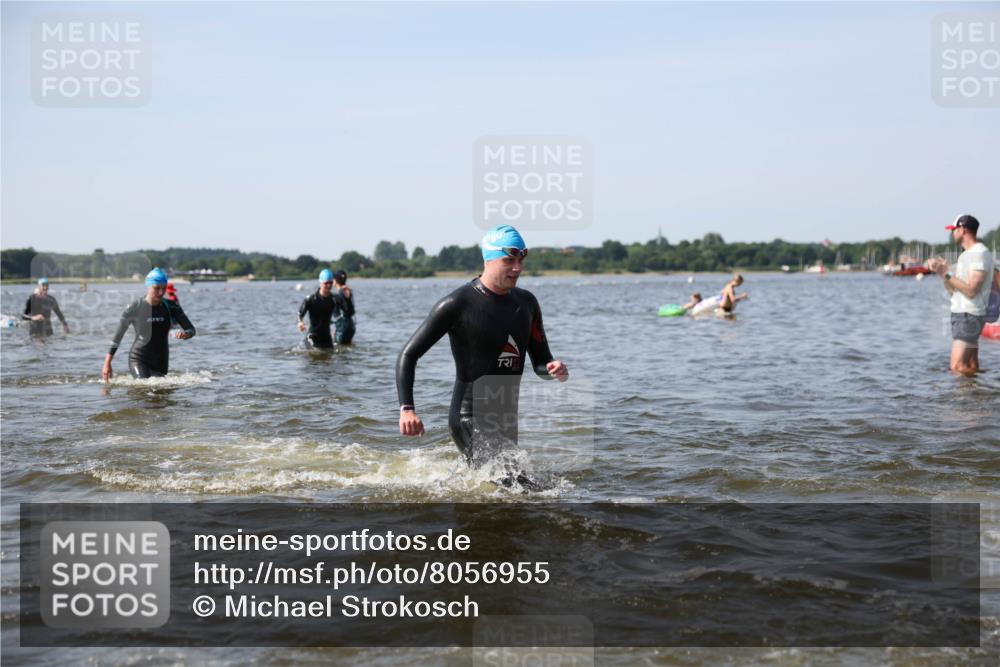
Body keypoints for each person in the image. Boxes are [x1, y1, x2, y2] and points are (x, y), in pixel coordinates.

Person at [396, 224, 569, 486]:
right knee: (519, 488)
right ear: (489, 259)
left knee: (511, 492)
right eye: (509, 260)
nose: (518, 268)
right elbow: (409, 355)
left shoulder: (527, 303)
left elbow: (540, 362)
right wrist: (407, 409)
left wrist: (553, 369)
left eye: (521, 260)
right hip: (470, 416)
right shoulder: (458, 304)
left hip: (506, 419)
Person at [928, 215, 995, 375]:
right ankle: (976, 398)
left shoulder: (979, 254)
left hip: (969, 316)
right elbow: (955, 292)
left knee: (957, 367)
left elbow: (971, 290)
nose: (952, 234)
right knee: (971, 366)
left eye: (954, 230)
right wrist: (942, 274)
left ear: (963, 229)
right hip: (964, 315)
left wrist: (946, 273)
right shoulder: (966, 255)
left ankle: (963, 399)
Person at [102, 268, 196, 380]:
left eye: (164, 288)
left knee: (160, 394)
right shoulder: (135, 307)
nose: (161, 292)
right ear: (148, 286)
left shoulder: (172, 306)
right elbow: (118, 336)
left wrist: (186, 334)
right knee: (145, 387)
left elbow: (191, 329)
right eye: (157, 288)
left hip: (161, 360)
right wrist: (107, 364)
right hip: (139, 358)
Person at [298, 269, 341, 349]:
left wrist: (337, 329)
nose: (329, 285)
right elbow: (300, 313)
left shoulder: (334, 299)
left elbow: (340, 316)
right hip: (313, 337)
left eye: (330, 283)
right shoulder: (311, 299)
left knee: (331, 358)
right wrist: (300, 322)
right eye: (326, 283)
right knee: (313, 357)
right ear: (320, 283)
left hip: (326, 337)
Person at [332, 270, 355, 344]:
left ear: (335, 280)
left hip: (343, 326)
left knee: (339, 351)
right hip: (350, 325)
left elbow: (347, 310)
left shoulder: (342, 292)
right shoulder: (347, 291)